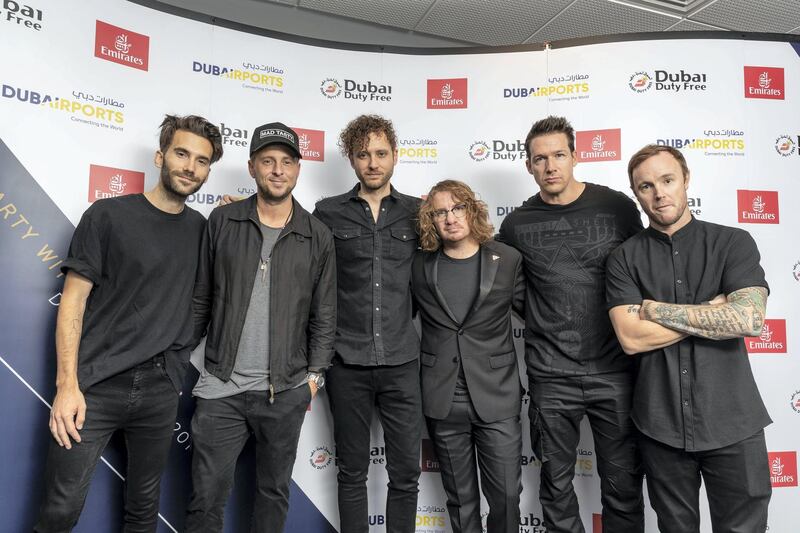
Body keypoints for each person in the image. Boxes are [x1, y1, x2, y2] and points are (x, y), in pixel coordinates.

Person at [34, 115, 223, 533]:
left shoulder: (204, 231)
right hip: (94, 387)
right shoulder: (106, 215)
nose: (190, 166)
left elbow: (204, 301)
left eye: (202, 160)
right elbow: (73, 302)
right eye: (181, 153)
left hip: (159, 390)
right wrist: (68, 385)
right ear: (160, 156)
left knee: (143, 511)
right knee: (60, 509)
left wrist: (173, 362)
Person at [606, 144, 772, 532]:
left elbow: (748, 318)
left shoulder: (733, 242)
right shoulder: (623, 258)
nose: (659, 193)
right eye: (646, 186)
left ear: (685, 180)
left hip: (734, 423)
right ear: (637, 194)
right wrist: (713, 311)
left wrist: (654, 309)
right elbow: (630, 338)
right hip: (660, 426)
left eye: (667, 180)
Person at [185, 122, 336, 532]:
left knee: (272, 496)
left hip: (285, 389)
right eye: (267, 161)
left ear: (298, 169)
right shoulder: (223, 220)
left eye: (286, 162)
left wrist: (313, 379)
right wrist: (180, 358)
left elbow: (324, 314)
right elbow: (201, 297)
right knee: (205, 499)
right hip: (220, 387)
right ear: (252, 167)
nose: (277, 170)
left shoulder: (316, 235)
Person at [497, 116, 644, 533]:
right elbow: (513, 290)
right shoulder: (517, 224)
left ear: (575, 156)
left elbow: (642, 266)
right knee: (555, 485)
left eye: (559, 155)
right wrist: (548, 319)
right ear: (528, 165)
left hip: (615, 371)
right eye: (539, 159)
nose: (550, 166)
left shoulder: (615, 207)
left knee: (623, 485)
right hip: (550, 375)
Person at [312, 114, 421, 533]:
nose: (373, 163)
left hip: (402, 362)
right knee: (352, 473)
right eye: (363, 155)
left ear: (395, 155)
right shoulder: (327, 213)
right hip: (347, 362)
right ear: (352, 160)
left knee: (406, 475)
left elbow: (456, 253)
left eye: (380, 153)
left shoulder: (418, 213)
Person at [412, 180, 525, 533]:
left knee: (506, 495)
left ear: (472, 209)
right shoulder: (419, 265)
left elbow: (538, 315)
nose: (450, 218)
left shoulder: (506, 259)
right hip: (443, 399)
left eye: (457, 207)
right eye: (440, 212)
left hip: (497, 396)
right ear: (431, 219)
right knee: (461, 501)